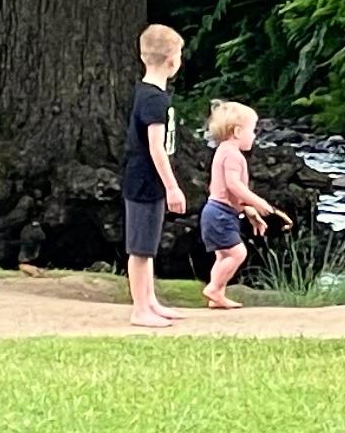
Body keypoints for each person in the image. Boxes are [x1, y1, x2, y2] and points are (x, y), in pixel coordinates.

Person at [121, 23, 188, 328]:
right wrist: (172, 187)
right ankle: (139, 309)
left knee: (148, 244)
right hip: (145, 179)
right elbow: (156, 148)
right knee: (140, 247)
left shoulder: (147, 93)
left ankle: (150, 301)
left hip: (147, 179)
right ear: (172, 60)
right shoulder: (154, 100)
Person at [199, 99, 289, 308]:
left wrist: (248, 211)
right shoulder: (232, 154)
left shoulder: (223, 151)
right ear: (238, 132)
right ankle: (214, 288)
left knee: (222, 256)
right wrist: (259, 203)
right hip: (220, 213)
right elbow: (233, 186)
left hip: (218, 212)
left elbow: (224, 189)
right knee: (238, 253)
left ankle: (217, 294)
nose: (255, 136)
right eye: (253, 130)